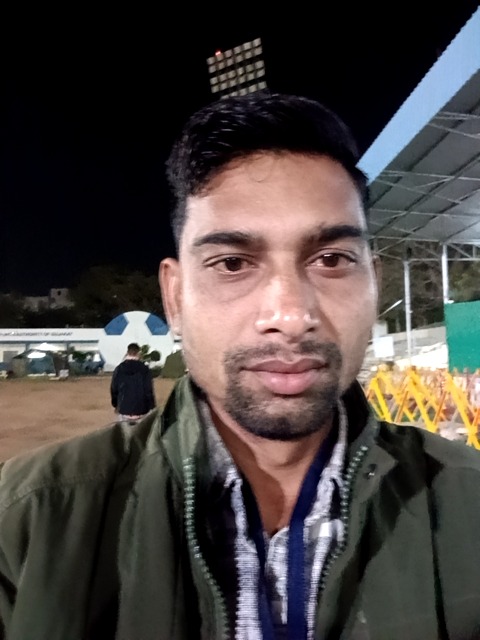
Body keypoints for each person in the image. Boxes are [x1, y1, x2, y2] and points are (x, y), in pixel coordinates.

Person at [1, 92, 480, 640]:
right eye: (232, 263)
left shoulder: (467, 502)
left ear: (372, 282)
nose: (290, 316)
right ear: (174, 296)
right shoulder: (28, 521)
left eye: (331, 259)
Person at [110, 342, 156, 422]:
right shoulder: (145, 369)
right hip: (141, 410)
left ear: (127, 352)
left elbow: (114, 389)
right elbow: (148, 390)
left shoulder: (119, 369)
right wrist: (152, 406)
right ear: (138, 353)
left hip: (124, 409)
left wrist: (116, 405)